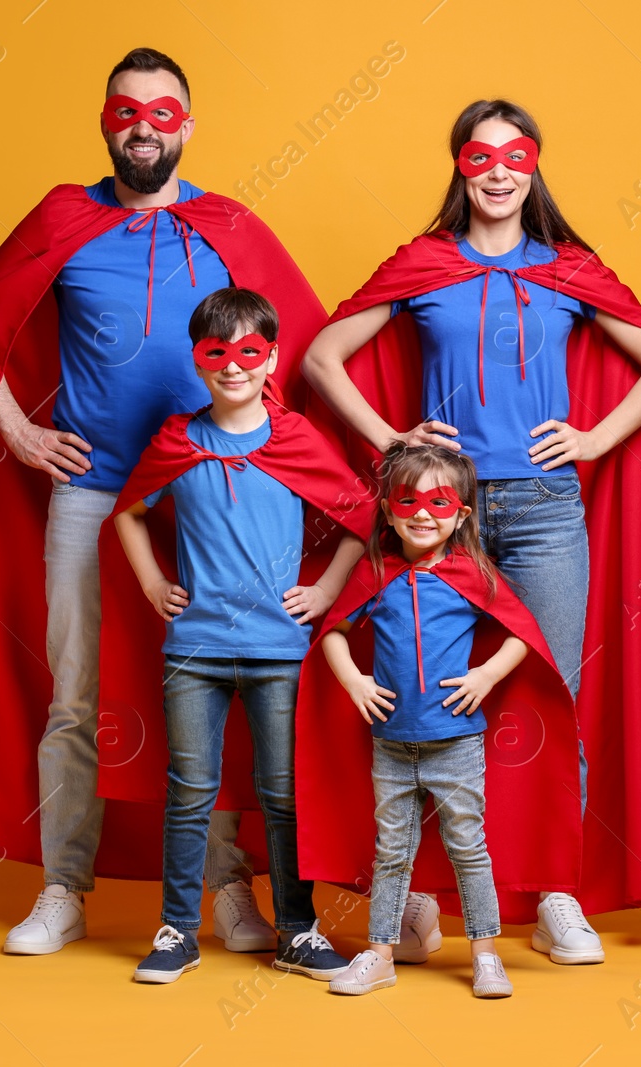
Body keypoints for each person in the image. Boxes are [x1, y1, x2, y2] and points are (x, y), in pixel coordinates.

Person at [0, 48, 327, 959]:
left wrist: (380, 435)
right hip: (91, 493)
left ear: (188, 129)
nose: (144, 128)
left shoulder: (227, 227)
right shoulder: (64, 219)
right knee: (74, 694)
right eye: (129, 112)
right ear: (104, 122)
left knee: (221, 685)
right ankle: (62, 889)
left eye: (165, 114)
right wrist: (17, 433)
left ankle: (228, 887)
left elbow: (309, 344)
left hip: (207, 500)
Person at [299, 99, 641, 959]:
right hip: (437, 522)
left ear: (534, 167)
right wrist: (391, 439)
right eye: (480, 157)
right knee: (423, 696)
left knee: (548, 696)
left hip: (543, 511)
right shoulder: (423, 266)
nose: (499, 172)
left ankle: (556, 893)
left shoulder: (567, 269)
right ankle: (418, 897)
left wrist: (596, 437)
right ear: (459, 167)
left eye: (516, 156)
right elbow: (318, 355)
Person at [110, 288, 376, 984]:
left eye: (249, 353)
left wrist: (323, 592)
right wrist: (148, 583)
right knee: (191, 789)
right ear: (199, 361)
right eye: (217, 353)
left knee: (283, 793)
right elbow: (129, 512)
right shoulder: (177, 441)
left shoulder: (293, 440)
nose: (234, 367)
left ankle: (297, 928)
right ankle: (177, 929)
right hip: (193, 648)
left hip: (277, 650)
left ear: (272, 359)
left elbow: (361, 515)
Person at [321, 444, 553, 998]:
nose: (423, 513)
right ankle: (378, 955)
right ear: (389, 509)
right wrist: (354, 681)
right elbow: (332, 631)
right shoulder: (375, 572)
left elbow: (525, 634)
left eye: (439, 501)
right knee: (390, 853)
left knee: (468, 847)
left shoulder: (472, 574)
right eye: (408, 500)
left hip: (456, 744)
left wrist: (485, 678)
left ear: (461, 514)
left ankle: (486, 954)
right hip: (392, 745)